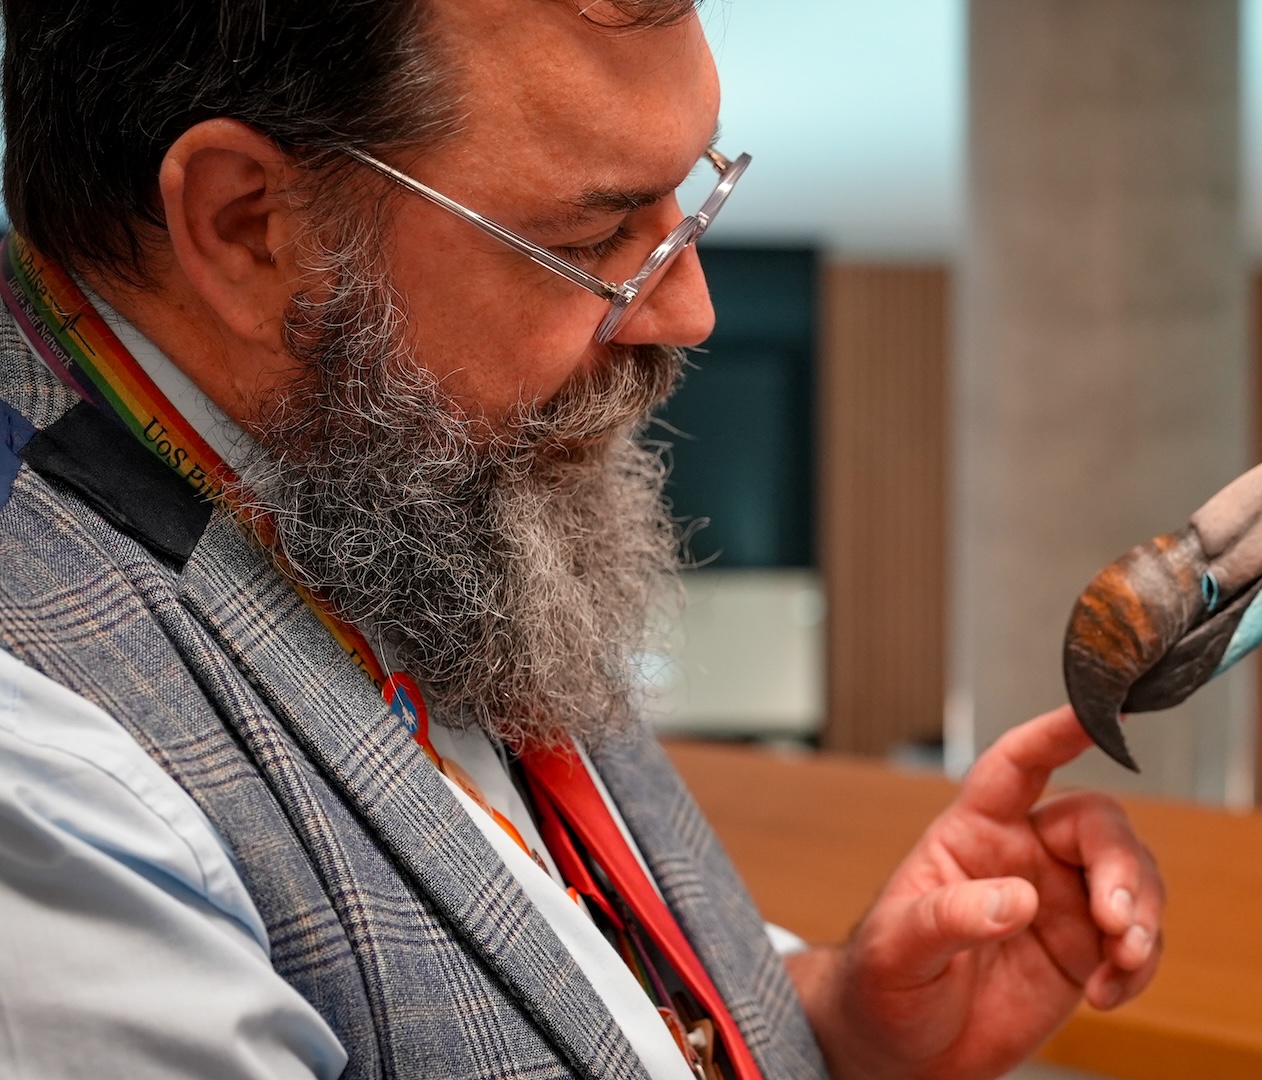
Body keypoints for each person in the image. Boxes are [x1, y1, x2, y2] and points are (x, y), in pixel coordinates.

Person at [0, 1, 1165, 1078]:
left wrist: (837, 1019)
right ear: (249, 225)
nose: (690, 308)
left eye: (688, 198)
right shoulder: (46, 777)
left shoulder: (397, 464)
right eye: (602, 233)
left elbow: (565, 977)